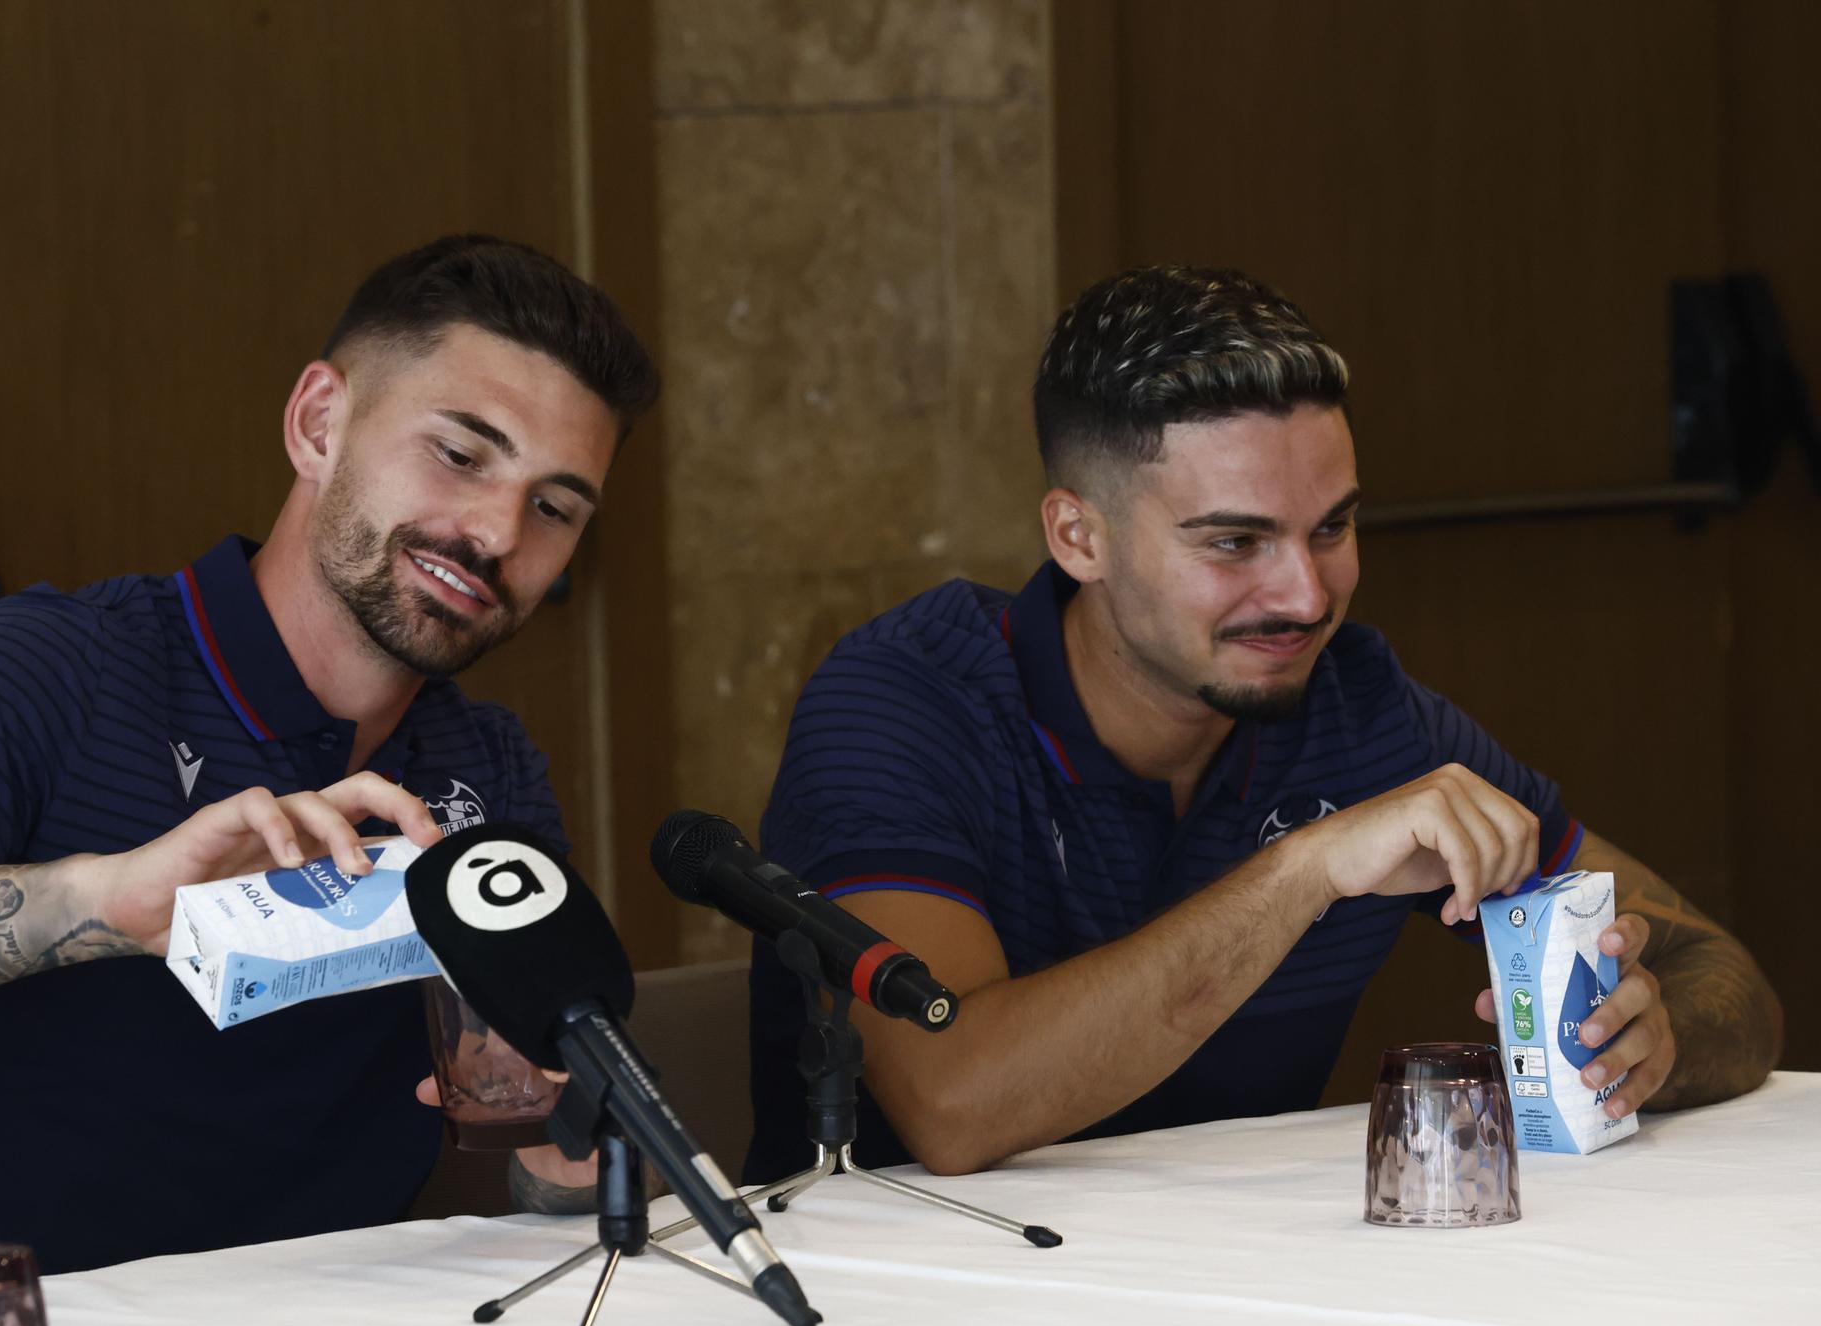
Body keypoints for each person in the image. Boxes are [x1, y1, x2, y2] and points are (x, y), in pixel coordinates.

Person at [746, 264, 1784, 1182]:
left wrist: (1651, 1040)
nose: (1304, 594)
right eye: (1233, 541)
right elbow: (952, 1100)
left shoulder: (1360, 709)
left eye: (1330, 526)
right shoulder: (901, 703)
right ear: (1076, 536)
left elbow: (1720, 976)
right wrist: (1307, 869)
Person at [0, 234, 655, 1272]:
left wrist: (553, 1143)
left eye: (554, 506)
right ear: (318, 423)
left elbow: (503, 1152)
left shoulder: (488, 770)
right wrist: (103, 901)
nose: (496, 530)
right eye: (459, 452)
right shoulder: (62, 663)